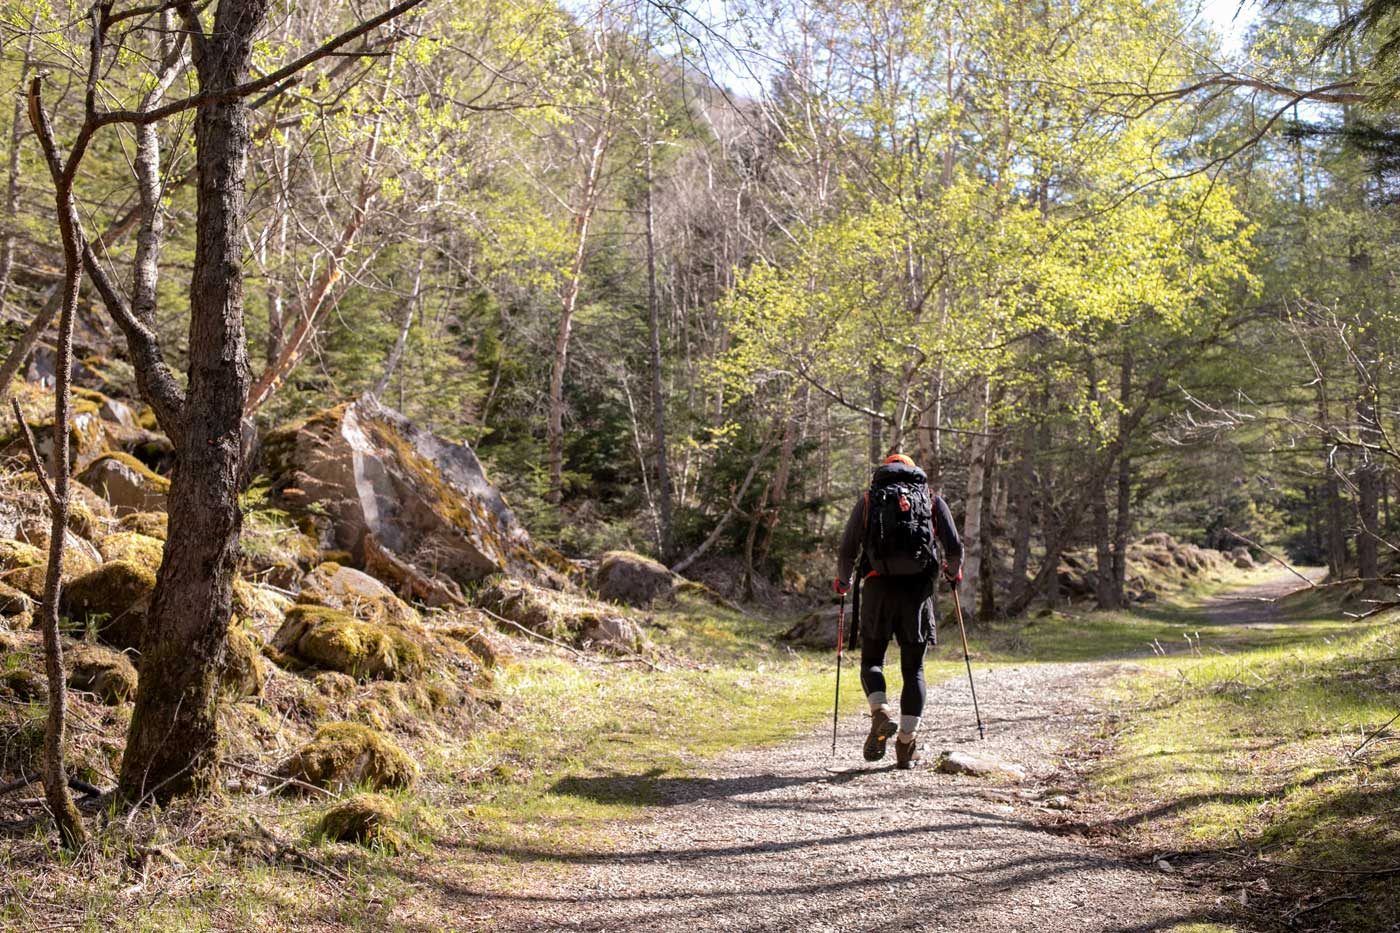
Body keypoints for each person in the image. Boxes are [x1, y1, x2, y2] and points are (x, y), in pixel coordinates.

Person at [834, 454, 963, 769]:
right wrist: (952, 572)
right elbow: (955, 546)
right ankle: (906, 745)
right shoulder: (931, 500)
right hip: (917, 593)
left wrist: (843, 582)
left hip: (878, 590)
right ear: (913, 472)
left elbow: (848, 548)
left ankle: (880, 713)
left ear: (885, 472)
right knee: (913, 670)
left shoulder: (869, 500)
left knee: (872, 661)